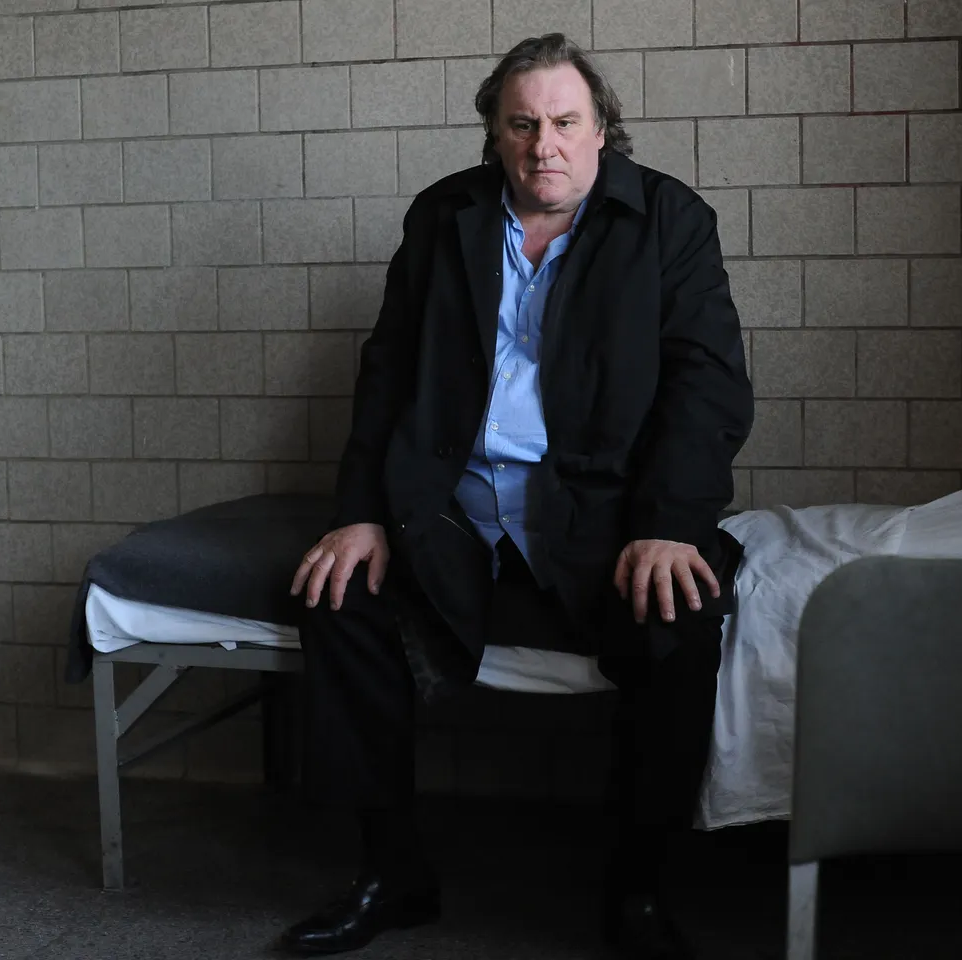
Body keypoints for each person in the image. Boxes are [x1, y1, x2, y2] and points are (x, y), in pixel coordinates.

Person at [281, 32, 754, 960]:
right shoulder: (442, 217)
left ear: (602, 129)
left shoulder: (670, 220)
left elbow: (708, 385)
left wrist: (667, 527)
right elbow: (387, 374)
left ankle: (639, 891)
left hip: (599, 517)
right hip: (452, 511)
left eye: (566, 123)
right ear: (494, 135)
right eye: (523, 125)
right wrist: (360, 513)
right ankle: (391, 874)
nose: (546, 146)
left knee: (682, 619)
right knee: (338, 600)